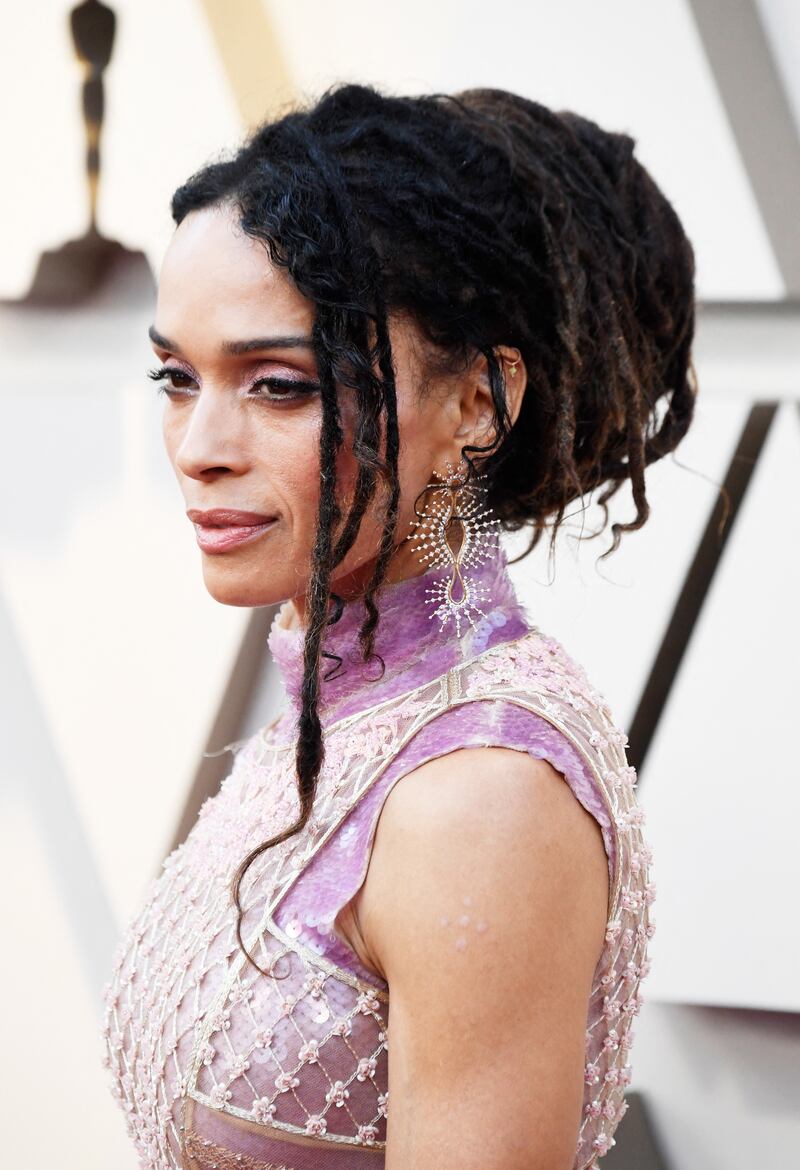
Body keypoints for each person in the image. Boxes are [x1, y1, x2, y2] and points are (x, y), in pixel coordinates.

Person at [100, 82, 696, 1170]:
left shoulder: (481, 793)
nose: (197, 445)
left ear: (474, 404)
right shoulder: (344, 694)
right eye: (177, 379)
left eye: (277, 386)